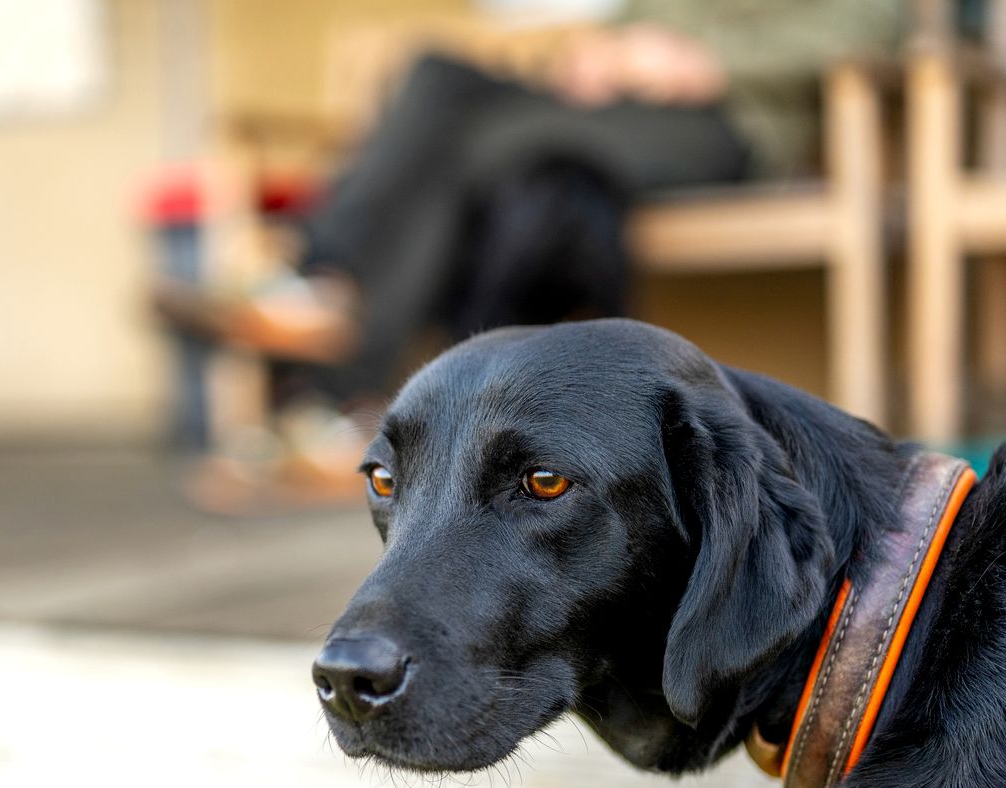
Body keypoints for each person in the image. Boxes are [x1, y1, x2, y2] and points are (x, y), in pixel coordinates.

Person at [157, 0, 901, 508]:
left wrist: (707, 57)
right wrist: (607, 51)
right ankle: (324, 296)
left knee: (487, 146)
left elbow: (873, 24)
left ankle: (334, 338)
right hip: (615, 111)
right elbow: (636, 20)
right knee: (438, 77)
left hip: (724, 124)